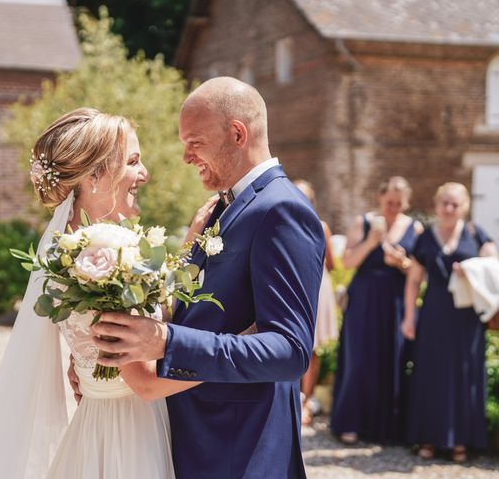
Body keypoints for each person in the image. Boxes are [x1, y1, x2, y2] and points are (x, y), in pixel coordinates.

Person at [82, 77, 326, 478]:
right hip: (198, 437)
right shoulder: (223, 207)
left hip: (240, 446)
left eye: (194, 142)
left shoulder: (281, 210)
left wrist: (166, 341)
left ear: (236, 134)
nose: (185, 157)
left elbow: (290, 351)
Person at [0, 108, 207, 478]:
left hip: (101, 422)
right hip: (129, 435)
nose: (144, 174)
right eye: (133, 162)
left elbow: (108, 336)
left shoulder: (69, 248)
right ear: (94, 176)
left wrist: (190, 244)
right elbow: (144, 381)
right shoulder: (103, 249)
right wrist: (239, 352)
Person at [402, 182, 498, 462]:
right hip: (433, 314)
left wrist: (473, 269)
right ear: (436, 204)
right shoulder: (425, 238)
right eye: (444, 202)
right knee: (431, 376)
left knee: (464, 375)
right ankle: (429, 439)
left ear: (464, 207)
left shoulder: (475, 233)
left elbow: (494, 267)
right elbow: (413, 281)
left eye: (455, 204)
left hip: (467, 318)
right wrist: (409, 317)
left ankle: (461, 441)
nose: (449, 208)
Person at [331, 177, 423, 444]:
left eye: (398, 202)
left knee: (391, 358)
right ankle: (350, 422)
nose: (393, 207)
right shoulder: (364, 222)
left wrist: (402, 262)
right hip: (364, 299)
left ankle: (385, 427)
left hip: (396, 300)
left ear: (406, 202)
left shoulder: (414, 228)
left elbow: (419, 272)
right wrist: (371, 242)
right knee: (359, 358)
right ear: (381, 198)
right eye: (389, 201)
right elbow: (346, 262)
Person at [293, 179, 339, 426]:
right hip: (292, 285)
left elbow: (330, 263)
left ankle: (306, 401)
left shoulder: (321, 227)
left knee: (312, 348)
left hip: (317, 287)